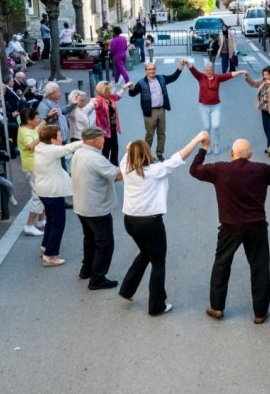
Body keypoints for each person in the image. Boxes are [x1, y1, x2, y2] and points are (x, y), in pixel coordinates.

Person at [190, 137, 270, 323]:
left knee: (222, 264)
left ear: (231, 153)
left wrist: (203, 149)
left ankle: (217, 307)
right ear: (249, 155)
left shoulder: (219, 169)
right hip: (257, 226)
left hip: (229, 227)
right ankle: (260, 312)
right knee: (259, 267)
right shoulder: (260, 169)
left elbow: (194, 169)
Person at [119, 131, 207, 315]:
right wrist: (197, 139)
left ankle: (127, 289)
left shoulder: (125, 166)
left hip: (130, 220)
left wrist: (130, 147)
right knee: (158, 263)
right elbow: (179, 157)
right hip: (150, 223)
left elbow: (129, 151)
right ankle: (156, 305)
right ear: (146, 154)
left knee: (145, 253)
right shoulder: (155, 171)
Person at [71, 126, 123, 290]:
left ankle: (86, 270)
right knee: (105, 242)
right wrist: (133, 165)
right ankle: (97, 278)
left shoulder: (79, 152)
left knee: (90, 239)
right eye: (102, 138)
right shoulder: (95, 158)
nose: (104, 140)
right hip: (96, 207)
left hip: (81, 204)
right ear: (93, 140)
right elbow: (116, 175)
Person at [34, 124, 84, 267]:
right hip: (52, 192)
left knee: (51, 221)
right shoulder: (51, 150)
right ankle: (50, 255)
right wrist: (85, 140)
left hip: (44, 191)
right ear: (53, 139)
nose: (62, 137)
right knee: (58, 223)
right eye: (59, 135)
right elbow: (68, 148)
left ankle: (45, 247)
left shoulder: (40, 148)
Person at [127, 60, 188, 162]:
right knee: (149, 135)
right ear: (146, 71)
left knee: (162, 134)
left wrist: (180, 67)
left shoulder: (161, 78)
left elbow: (173, 77)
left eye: (153, 69)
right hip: (150, 113)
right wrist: (131, 88)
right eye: (149, 69)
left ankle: (159, 154)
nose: (152, 71)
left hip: (161, 110)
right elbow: (132, 94)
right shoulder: (141, 83)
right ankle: (146, 155)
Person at [189, 61, 245, 155]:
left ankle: (216, 144)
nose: (207, 72)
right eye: (206, 70)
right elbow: (192, 69)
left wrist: (240, 72)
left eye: (209, 70)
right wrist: (187, 63)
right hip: (204, 106)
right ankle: (207, 145)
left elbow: (229, 75)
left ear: (212, 70)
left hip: (215, 106)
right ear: (204, 70)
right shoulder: (200, 77)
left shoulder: (217, 78)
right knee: (206, 127)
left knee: (216, 126)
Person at [17, 108, 47, 233]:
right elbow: (31, 145)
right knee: (38, 195)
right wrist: (42, 136)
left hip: (38, 165)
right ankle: (29, 225)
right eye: (36, 119)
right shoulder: (24, 132)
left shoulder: (30, 128)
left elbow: (38, 128)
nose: (38, 120)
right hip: (32, 167)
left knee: (44, 192)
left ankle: (42, 220)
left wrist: (48, 118)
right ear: (29, 121)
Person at [244, 66, 270, 153]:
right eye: (264, 74)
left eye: (267, 75)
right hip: (264, 108)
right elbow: (253, 83)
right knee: (266, 128)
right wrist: (247, 77)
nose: (265, 76)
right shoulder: (263, 81)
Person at [93, 80, 129, 165]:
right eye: (109, 90)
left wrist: (125, 86)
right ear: (104, 90)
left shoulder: (110, 97)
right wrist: (91, 103)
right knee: (105, 150)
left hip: (112, 128)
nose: (111, 91)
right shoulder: (99, 100)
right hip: (103, 131)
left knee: (115, 148)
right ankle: (104, 168)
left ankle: (114, 167)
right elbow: (94, 104)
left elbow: (118, 95)